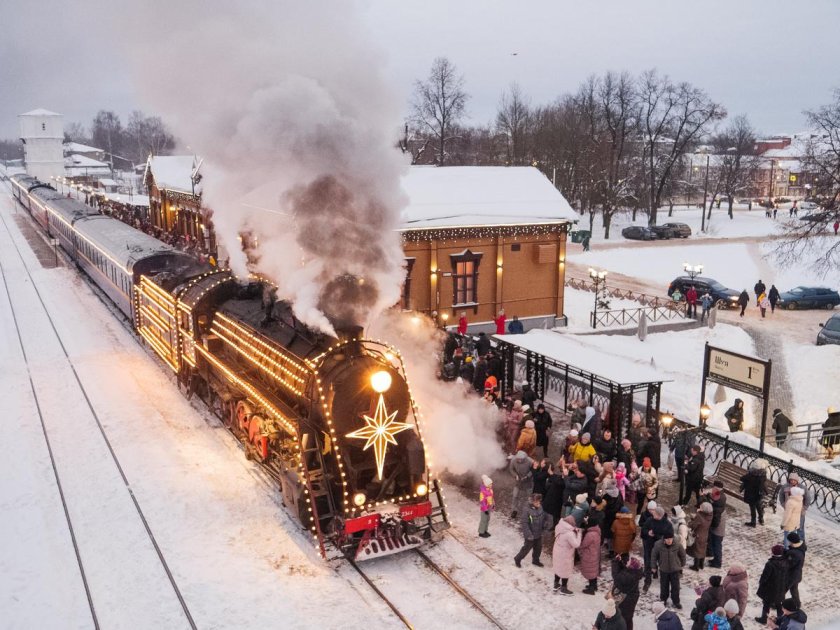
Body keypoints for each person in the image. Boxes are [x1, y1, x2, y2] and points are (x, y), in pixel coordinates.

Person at [640, 504, 673, 592]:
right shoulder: (650, 520)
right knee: (648, 562)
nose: (653, 514)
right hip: (649, 545)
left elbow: (670, 536)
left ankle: (662, 579)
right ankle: (647, 581)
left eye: (654, 514)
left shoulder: (667, 524)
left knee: (661, 562)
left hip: (661, 547)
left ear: (659, 515)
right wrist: (648, 533)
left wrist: (660, 537)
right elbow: (643, 529)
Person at [513, 493, 552, 567]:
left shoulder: (540, 507)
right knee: (526, 548)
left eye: (539, 501)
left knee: (538, 548)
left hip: (539, 532)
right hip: (530, 534)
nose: (538, 503)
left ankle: (535, 560)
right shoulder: (527, 510)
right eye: (536, 502)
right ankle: (517, 558)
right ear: (532, 502)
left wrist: (546, 522)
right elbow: (525, 523)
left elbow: (543, 516)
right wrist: (529, 534)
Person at [756, 545, 789, 624]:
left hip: (770, 588)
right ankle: (781, 619)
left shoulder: (770, 564)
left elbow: (765, 577)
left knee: (766, 604)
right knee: (779, 604)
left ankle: (764, 619)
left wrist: (761, 583)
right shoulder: (786, 562)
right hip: (781, 588)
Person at [652, 535, 686, 609]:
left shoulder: (677, 544)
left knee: (675, 587)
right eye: (667, 539)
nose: (669, 541)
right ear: (664, 539)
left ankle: (676, 601)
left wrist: (682, 564)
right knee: (664, 586)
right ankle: (663, 600)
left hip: (675, 569)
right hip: (664, 569)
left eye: (670, 539)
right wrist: (654, 566)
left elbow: (683, 555)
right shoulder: (658, 545)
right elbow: (654, 556)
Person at [777, 473, 811, 543]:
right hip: (789, 510)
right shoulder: (785, 486)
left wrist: (804, 508)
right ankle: (789, 541)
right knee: (789, 526)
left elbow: (808, 498)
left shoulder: (802, 488)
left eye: (794, 480)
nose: (792, 481)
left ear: (797, 480)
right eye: (791, 480)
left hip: (799, 512)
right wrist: (783, 504)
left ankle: (801, 540)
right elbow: (781, 495)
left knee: (800, 527)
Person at [552, 515, 582, 594]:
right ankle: (563, 589)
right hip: (565, 554)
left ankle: (556, 584)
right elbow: (576, 544)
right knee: (565, 570)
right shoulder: (569, 534)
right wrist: (579, 534)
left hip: (557, 550)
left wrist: (573, 530)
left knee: (558, 567)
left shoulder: (559, 526)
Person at [612, 555, 643, 630]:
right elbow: (624, 570)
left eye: (629, 562)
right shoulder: (634, 572)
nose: (627, 562)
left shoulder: (628, 576)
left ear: (631, 566)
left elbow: (616, 577)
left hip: (626, 599)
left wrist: (615, 563)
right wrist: (619, 562)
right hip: (632, 597)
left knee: (624, 618)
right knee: (628, 617)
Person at [741, 458, 768, 526]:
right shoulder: (762, 476)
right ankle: (761, 519)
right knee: (758, 506)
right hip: (758, 495)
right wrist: (766, 492)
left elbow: (742, 478)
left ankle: (753, 522)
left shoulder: (751, 475)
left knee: (753, 508)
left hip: (751, 495)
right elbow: (763, 485)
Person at [580, 517, 602, 594]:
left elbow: (584, 544)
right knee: (594, 571)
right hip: (595, 553)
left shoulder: (590, 534)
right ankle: (594, 585)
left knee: (590, 571)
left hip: (589, 555)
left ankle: (591, 589)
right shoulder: (597, 531)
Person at [687, 502, 713, 571]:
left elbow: (693, 525)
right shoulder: (710, 515)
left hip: (698, 535)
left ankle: (696, 566)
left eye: (701, 507)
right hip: (705, 534)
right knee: (703, 549)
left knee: (697, 550)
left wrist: (692, 519)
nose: (700, 507)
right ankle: (701, 564)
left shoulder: (699, 516)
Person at [707, 481, 728, 568]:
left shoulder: (719, 500)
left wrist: (712, 526)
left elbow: (716, 517)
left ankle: (717, 563)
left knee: (717, 545)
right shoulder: (720, 495)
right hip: (718, 525)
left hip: (718, 527)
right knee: (715, 543)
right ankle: (715, 559)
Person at [509, 450, 533, 519]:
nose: (519, 460)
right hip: (518, 481)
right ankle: (514, 510)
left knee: (529, 497)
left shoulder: (529, 461)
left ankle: (529, 511)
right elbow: (511, 469)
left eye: (520, 459)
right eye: (518, 459)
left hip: (528, 482)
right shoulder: (513, 460)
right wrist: (515, 475)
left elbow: (533, 470)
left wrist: (527, 476)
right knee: (515, 496)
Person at [784, 532, 806, 608]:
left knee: (783, 589)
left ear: (792, 541)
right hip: (797, 575)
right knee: (794, 590)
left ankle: (775, 603)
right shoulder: (801, 548)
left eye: (789, 541)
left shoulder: (793, 553)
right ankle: (797, 604)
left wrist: (785, 555)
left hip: (791, 575)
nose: (788, 542)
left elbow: (788, 564)